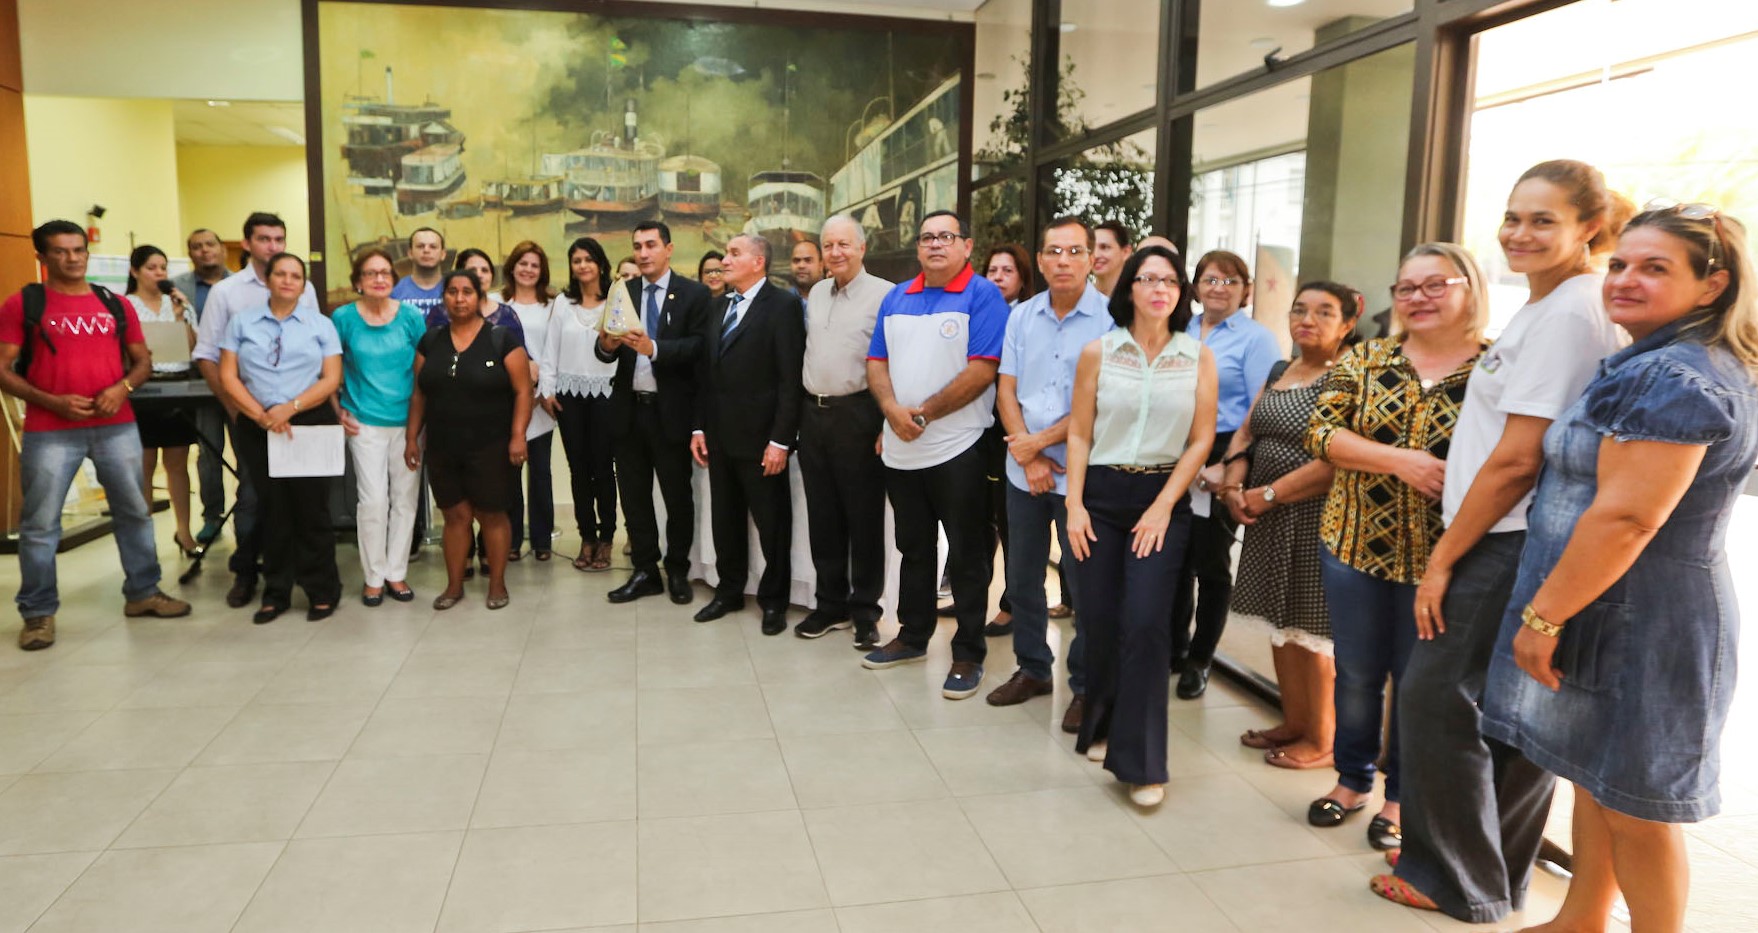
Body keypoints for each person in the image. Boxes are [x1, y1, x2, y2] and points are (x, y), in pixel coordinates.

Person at [1479, 204, 1758, 933]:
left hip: (1647, 620)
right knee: (1597, 779)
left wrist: (1544, 616)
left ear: (1712, 285)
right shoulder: (1655, 358)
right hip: (1607, 604)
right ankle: (1581, 918)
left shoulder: (1677, 374)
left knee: (1639, 806)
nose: (1626, 279)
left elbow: (1628, 518)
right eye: (1621, 264)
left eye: (1655, 267)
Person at [1374, 161, 1632, 922]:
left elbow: (1519, 456)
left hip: (1505, 538)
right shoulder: (1550, 302)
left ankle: (1452, 877)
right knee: (1504, 716)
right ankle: (1490, 871)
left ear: (1589, 227)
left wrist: (1443, 559)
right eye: (1514, 217)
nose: (1519, 232)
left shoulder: (1570, 312)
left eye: (1542, 220)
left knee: (1434, 701)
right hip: (1506, 534)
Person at [1305, 242, 1488, 851]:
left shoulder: (1494, 371)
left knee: (1419, 683)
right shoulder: (1366, 359)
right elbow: (1322, 433)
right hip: (1354, 547)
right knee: (1357, 674)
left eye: (1436, 285)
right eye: (1407, 288)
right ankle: (1352, 780)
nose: (1419, 298)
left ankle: (1404, 798)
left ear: (1470, 289)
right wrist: (1401, 462)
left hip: (1445, 561)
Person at [1065, 244, 1217, 808]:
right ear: (1128, 287)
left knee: (1149, 625)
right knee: (1100, 622)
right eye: (1148, 279)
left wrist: (1163, 504)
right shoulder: (1097, 353)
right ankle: (1101, 726)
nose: (1160, 288)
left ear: (1181, 293)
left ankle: (1144, 764)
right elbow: (1079, 432)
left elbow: (1201, 438)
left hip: (1162, 498)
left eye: (1171, 281)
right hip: (1100, 497)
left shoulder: (1196, 355)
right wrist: (1074, 505)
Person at [0, 220, 191, 650]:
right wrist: (51, 401)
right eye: (61, 251)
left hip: (116, 425)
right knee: (40, 526)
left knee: (135, 513)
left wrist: (120, 388)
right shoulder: (23, 304)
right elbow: (3, 370)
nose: (72, 258)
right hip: (50, 431)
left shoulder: (113, 304)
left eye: (78, 250)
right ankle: (37, 614)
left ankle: (143, 593)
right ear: (43, 257)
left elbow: (142, 362)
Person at [860, 210, 1009, 700]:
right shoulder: (897, 297)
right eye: (927, 238)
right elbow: (876, 361)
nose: (935, 245)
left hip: (960, 448)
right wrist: (890, 409)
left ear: (967, 246)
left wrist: (920, 413)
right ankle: (912, 635)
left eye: (946, 236)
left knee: (967, 555)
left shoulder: (983, 296)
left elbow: (983, 369)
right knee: (913, 548)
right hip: (901, 451)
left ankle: (968, 652)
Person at [1220, 281, 1361, 769]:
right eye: (1300, 309)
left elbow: (1335, 461)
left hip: (1316, 517)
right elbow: (1248, 429)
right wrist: (1235, 482)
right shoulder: (1282, 369)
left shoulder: (1348, 375)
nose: (1308, 319)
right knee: (1280, 625)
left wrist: (1267, 494)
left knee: (1312, 627)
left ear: (1348, 325)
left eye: (1325, 312)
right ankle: (1295, 721)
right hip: (1266, 518)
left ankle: (1323, 740)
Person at [983, 219, 1114, 735]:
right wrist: (1029, 454)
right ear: (1039, 260)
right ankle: (1033, 669)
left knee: (1083, 586)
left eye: (1074, 251)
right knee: (1021, 578)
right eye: (1054, 251)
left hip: (1081, 475)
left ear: (1090, 260)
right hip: (1025, 472)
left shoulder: (1108, 319)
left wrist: (1039, 444)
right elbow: (1005, 390)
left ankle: (1083, 686)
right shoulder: (1021, 317)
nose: (1063, 260)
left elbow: (1102, 400)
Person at [193, 212, 319, 610]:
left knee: (298, 498)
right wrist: (235, 408)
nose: (273, 246)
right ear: (247, 244)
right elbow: (208, 356)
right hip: (248, 413)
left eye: (279, 239)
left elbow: (317, 346)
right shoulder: (227, 293)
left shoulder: (306, 289)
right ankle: (245, 572)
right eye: (264, 239)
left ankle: (293, 575)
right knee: (252, 495)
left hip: (297, 413)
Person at [1177, 250, 1283, 699]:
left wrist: (1228, 464)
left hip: (1224, 452)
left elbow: (1261, 408)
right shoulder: (1182, 329)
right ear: (1197, 285)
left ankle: (1200, 660)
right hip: (1178, 448)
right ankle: (1172, 647)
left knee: (1212, 563)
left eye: (1230, 281)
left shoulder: (1257, 339)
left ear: (1246, 290)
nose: (1218, 287)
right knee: (1174, 557)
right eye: (1210, 278)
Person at [216, 253, 343, 625]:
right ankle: (276, 592)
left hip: (309, 420)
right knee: (272, 511)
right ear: (268, 280)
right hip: (258, 423)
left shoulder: (320, 324)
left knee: (312, 510)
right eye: (281, 274)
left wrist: (290, 408)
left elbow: (331, 378)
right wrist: (262, 415)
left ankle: (322, 589)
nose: (288, 281)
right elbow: (228, 376)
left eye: (296, 276)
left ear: (304, 285)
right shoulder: (242, 322)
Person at [690, 234, 805, 635]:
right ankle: (730, 591)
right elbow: (706, 373)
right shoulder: (718, 305)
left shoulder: (783, 305)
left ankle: (774, 601)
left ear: (759, 261)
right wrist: (700, 426)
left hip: (762, 441)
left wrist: (780, 440)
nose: (725, 260)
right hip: (719, 437)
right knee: (725, 520)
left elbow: (791, 379)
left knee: (772, 524)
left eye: (734, 253)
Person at [405, 270, 533, 610]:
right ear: (443, 297)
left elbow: (523, 391)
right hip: (443, 446)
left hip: (491, 444)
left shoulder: (501, 339)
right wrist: (411, 438)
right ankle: (453, 586)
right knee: (455, 516)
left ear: (479, 297)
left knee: (492, 514)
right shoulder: (430, 341)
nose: (459, 299)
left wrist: (518, 436)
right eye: (452, 292)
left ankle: (497, 585)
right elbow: (419, 394)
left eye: (467, 292)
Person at [600, 221, 712, 604]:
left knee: (677, 497)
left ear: (669, 249)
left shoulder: (694, 294)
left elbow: (699, 348)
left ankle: (677, 569)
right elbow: (604, 353)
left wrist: (655, 349)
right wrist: (607, 346)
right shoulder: (623, 291)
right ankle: (645, 570)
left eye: (651, 245)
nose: (643, 253)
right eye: (637, 246)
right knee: (633, 496)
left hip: (671, 413)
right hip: (629, 412)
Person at [795, 216, 891, 647]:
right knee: (824, 517)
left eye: (843, 245)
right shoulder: (816, 292)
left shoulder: (885, 295)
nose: (835, 253)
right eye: (828, 245)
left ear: (862, 248)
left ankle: (866, 611)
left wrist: (887, 421)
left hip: (859, 415)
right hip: (813, 417)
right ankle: (830, 605)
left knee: (864, 518)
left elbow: (894, 364)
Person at [332, 247, 427, 606]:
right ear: (358, 281)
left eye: (385, 272)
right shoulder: (343, 318)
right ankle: (373, 577)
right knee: (372, 501)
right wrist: (336, 409)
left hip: (409, 423)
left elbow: (423, 370)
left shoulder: (410, 317)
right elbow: (329, 367)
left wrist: (420, 422)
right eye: (371, 273)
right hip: (364, 422)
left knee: (405, 500)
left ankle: (396, 574)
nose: (379, 278)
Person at [542, 237, 621, 572]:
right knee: (579, 471)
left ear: (600, 263)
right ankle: (586, 537)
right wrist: (547, 390)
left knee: (603, 470)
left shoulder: (616, 299)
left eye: (589, 259)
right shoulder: (562, 302)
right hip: (569, 395)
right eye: (577, 260)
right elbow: (550, 349)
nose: (583, 265)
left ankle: (606, 540)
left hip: (607, 394)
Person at [446, 248, 528, 568]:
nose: (479, 275)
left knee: (493, 493)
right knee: (460, 494)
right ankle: (462, 553)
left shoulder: (506, 317)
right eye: (471, 270)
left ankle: (487, 551)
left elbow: (521, 371)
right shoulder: (441, 317)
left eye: (484, 270)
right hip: (452, 421)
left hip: (496, 421)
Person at [124, 244, 201, 558]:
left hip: (178, 386)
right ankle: (144, 540)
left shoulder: (179, 303)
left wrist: (181, 316)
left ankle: (184, 532)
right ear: (135, 272)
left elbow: (194, 347)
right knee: (143, 465)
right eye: (152, 268)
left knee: (177, 465)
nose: (159, 274)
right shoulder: (125, 305)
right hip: (141, 388)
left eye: (163, 268)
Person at [171, 227, 231, 545]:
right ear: (190, 252)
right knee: (209, 453)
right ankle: (212, 516)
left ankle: (252, 514)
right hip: (199, 379)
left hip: (241, 380)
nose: (204, 250)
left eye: (210, 244)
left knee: (250, 454)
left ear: (221, 249)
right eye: (197, 246)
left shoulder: (242, 283)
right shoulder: (178, 288)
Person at [502, 241, 557, 560]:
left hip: (541, 400)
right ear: (512, 266)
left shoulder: (552, 304)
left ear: (542, 271)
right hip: (506, 401)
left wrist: (541, 390)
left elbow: (554, 351)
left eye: (534, 265)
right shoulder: (497, 302)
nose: (527, 269)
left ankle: (541, 541)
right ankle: (509, 541)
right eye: (522, 263)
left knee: (540, 472)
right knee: (508, 473)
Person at [391, 227, 447, 319]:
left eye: (433, 247)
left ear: (443, 254)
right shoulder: (394, 292)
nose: (426, 250)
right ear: (410, 253)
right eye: (420, 246)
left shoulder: (454, 289)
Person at [1091, 221, 1133, 297]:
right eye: (1091, 248)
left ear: (1126, 252)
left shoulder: (1137, 300)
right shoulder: (1078, 300)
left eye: (1104, 247)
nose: (1096, 255)